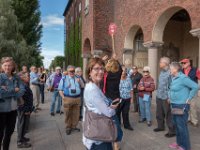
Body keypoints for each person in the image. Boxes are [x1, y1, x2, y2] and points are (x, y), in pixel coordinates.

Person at [83, 57, 119, 150]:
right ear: (89, 72)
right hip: (98, 137)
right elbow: (107, 112)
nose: (100, 71)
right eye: (96, 69)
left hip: (99, 131)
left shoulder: (93, 85)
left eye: (102, 68)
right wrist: (113, 108)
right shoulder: (92, 89)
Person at [168, 62, 198, 150]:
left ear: (175, 69)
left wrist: (189, 98)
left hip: (181, 105)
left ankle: (185, 146)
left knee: (182, 126)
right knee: (177, 125)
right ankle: (178, 143)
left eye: (170, 68)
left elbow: (195, 86)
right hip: (174, 104)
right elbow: (172, 89)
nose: (170, 70)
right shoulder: (174, 78)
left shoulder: (183, 78)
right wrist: (170, 97)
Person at [0, 57, 25, 150]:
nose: (7, 67)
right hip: (1, 110)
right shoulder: (0, 77)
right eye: (5, 65)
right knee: (0, 134)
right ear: (2, 66)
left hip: (13, 109)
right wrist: (14, 90)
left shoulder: (16, 77)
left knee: (9, 133)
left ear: (13, 66)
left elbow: (22, 90)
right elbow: (0, 93)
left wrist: (6, 90)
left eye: (9, 65)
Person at [154, 57, 176, 138]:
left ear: (165, 63)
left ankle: (172, 131)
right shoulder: (161, 72)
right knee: (159, 113)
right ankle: (160, 126)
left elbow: (172, 86)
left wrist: (169, 97)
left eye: (160, 62)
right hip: (159, 96)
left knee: (168, 114)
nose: (159, 63)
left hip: (166, 97)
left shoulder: (170, 73)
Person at [58, 65, 82, 135]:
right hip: (68, 98)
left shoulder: (78, 77)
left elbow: (83, 86)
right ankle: (68, 127)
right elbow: (60, 89)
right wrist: (63, 97)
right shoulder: (64, 78)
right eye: (70, 71)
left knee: (76, 113)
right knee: (68, 113)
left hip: (77, 98)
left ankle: (74, 126)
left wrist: (79, 82)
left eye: (73, 71)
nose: (72, 72)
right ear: (67, 71)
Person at [180, 58, 199, 127]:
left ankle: (194, 121)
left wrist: (198, 87)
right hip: (185, 91)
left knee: (193, 106)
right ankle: (188, 118)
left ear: (189, 63)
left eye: (184, 63)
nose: (183, 64)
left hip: (192, 90)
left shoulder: (195, 70)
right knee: (186, 105)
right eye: (182, 63)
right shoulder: (181, 71)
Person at [17, 72, 33, 148]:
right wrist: (26, 109)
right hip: (23, 108)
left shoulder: (24, 84)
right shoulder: (21, 85)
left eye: (28, 76)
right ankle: (20, 141)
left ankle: (22, 137)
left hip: (26, 107)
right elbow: (21, 99)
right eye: (25, 76)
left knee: (24, 124)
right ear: (20, 77)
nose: (28, 77)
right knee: (21, 124)